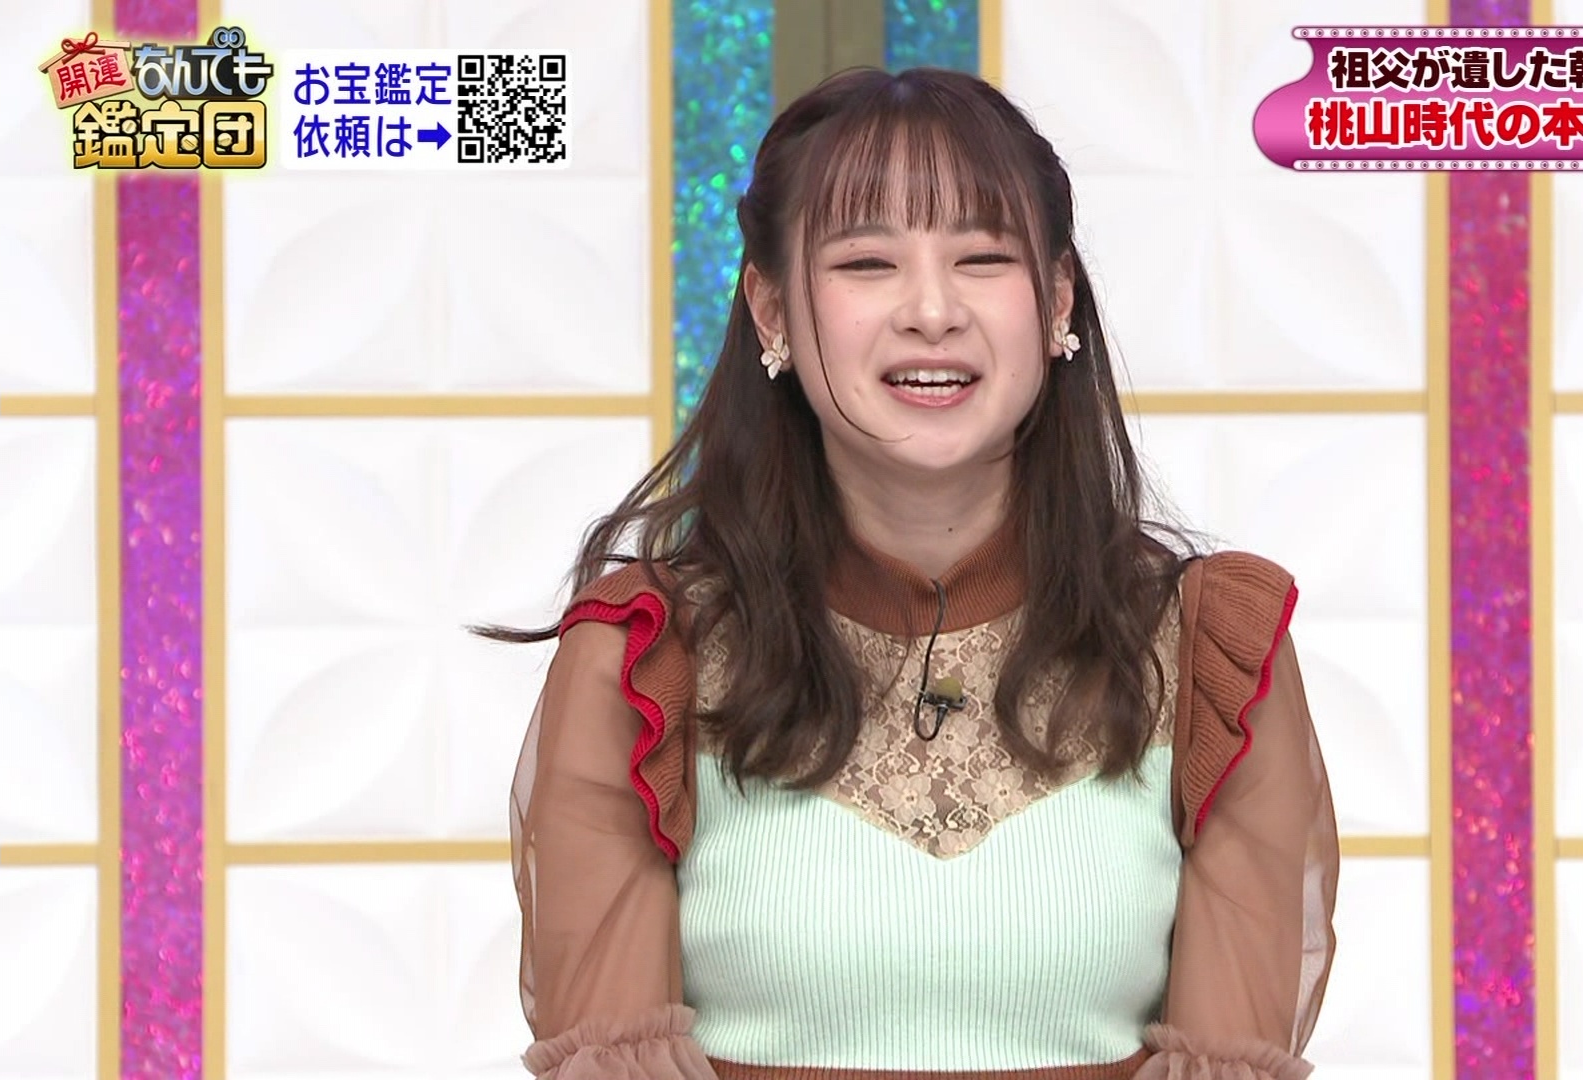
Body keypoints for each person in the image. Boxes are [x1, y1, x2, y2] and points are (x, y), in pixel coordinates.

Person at [492, 66, 1338, 1080]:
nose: (933, 311)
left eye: (982, 258)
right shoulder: (643, 663)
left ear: (1057, 300)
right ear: (771, 310)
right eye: (867, 263)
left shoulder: (1211, 655)